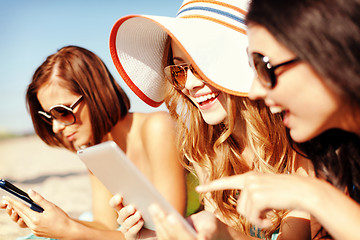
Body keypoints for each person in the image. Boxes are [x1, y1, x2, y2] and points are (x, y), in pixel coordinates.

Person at [108, 0, 313, 239]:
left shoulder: (298, 138)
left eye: (203, 66)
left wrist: (219, 230)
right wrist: (151, 235)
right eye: (179, 70)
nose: (191, 84)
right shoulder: (206, 147)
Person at [197, 0, 360, 239]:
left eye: (265, 66)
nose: (254, 91)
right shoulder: (334, 152)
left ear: (329, 53)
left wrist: (313, 195)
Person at [0, 45, 187, 240]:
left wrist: (67, 229)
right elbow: (103, 225)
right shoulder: (98, 151)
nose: (56, 127)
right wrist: (51, 219)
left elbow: (172, 232)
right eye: (48, 117)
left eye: (62, 112)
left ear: (96, 93)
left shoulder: (157, 127)